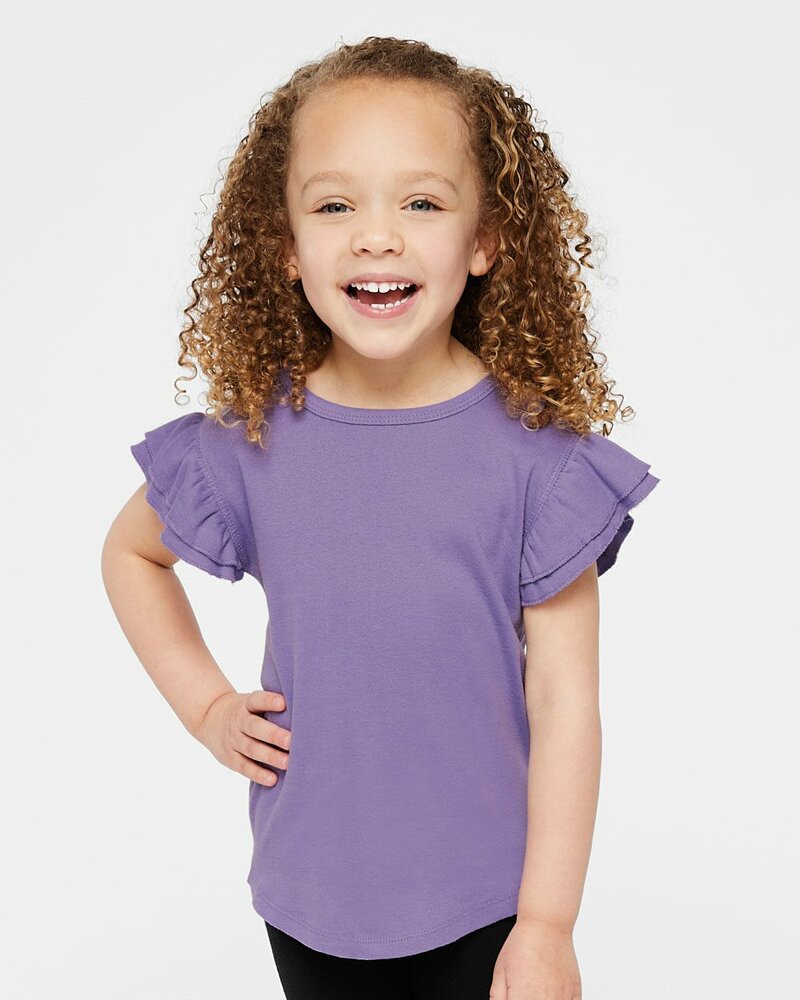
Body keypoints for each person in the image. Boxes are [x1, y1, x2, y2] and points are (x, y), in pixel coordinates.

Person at [101, 35, 661, 1000]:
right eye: (335, 205)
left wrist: (548, 924)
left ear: (486, 240)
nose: (376, 237)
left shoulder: (542, 465)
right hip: (307, 897)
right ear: (286, 245)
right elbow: (131, 554)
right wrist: (207, 708)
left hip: (489, 905)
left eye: (421, 203)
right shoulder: (249, 441)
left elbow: (567, 705)